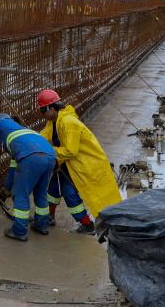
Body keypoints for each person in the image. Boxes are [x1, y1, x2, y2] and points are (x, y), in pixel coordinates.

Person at [36, 90, 123, 232]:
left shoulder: (68, 122)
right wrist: (30, 140)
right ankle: (49, 216)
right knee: (53, 188)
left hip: (84, 163)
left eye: (42, 111)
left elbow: (70, 151)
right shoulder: (54, 121)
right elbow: (43, 137)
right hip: (68, 162)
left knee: (68, 191)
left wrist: (50, 152)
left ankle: (87, 224)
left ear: (51, 108)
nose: (42, 115)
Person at [0, 113, 55, 241]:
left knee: (21, 194)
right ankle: (42, 225)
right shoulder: (22, 133)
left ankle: (19, 231)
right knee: (41, 192)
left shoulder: (2, 122)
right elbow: (14, 169)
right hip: (50, 156)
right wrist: (6, 188)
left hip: (31, 157)